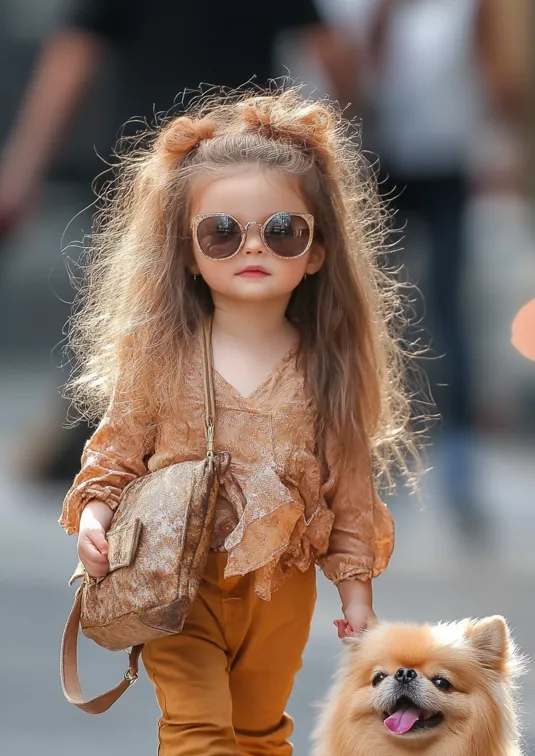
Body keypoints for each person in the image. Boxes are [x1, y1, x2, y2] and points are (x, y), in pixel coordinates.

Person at [57, 89, 414, 756]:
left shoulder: (328, 370)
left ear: (318, 250)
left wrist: (354, 591)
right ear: (186, 252)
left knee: (260, 728)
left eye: (280, 231)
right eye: (223, 232)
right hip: (177, 580)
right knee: (196, 715)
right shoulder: (162, 354)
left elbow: (349, 492)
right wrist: (97, 517)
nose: (252, 248)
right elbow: (115, 451)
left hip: (282, 585)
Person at [0, 0, 355, 481]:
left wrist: (23, 171)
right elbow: (333, 57)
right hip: (239, 177)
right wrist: (346, 151)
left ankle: (140, 451)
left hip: (151, 176)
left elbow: (71, 61)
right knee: (250, 317)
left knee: (144, 321)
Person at [364, 0, 530, 536]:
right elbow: (361, 76)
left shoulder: (469, 8)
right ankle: (376, 455)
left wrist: (506, 141)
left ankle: (458, 469)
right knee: (376, 311)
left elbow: (496, 78)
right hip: (382, 159)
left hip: (446, 162)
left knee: (448, 310)